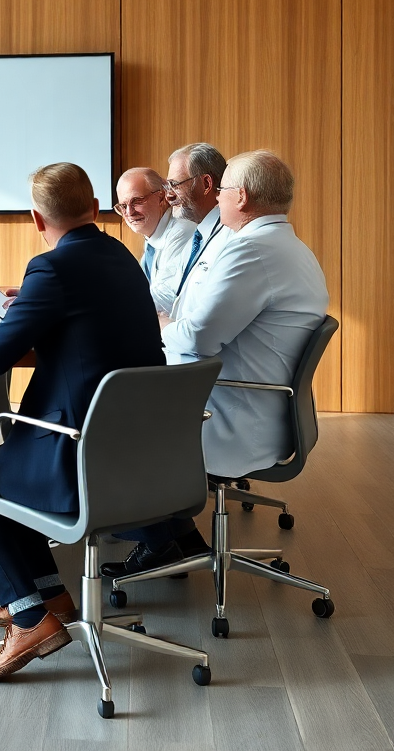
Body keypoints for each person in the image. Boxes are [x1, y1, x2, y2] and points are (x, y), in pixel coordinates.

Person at [0, 163, 165, 681]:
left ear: (35, 219)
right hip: (134, 447)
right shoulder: (122, 256)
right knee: (4, 467)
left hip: (77, 451)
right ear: (93, 209)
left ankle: (27, 615)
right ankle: (53, 596)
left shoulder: (51, 269)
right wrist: (32, 307)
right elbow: (87, 320)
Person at [102, 150, 329, 578]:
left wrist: (169, 324)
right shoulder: (289, 246)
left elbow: (195, 339)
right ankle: (177, 539)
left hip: (233, 412)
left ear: (239, 196)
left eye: (222, 190)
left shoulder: (251, 252)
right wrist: (177, 322)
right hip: (260, 406)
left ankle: (156, 540)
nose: (217, 198)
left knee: (105, 426)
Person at [114, 166, 195, 313]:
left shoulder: (182, 232)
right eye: (123, 206)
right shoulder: (153, 239)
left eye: (137, 201)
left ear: (161, 197)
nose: (129, 213)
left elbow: (165, 298)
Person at [164, 142, 231, 313]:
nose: (169, 195)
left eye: (175, 185)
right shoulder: (198, 236)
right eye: (167, 186)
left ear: (206, 184)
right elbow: (172, 292)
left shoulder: (230, 238)